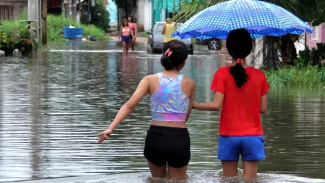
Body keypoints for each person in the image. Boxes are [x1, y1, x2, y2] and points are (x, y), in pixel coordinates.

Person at [98, 40, 196, 180]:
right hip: (179, 139)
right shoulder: (189, 83)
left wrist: (110, 128)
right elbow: (186, 116)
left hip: (156, 138)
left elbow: (129, 105)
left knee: (156, 180)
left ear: (164, 55)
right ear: (184, 61)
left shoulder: (149, 80)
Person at [193, 29, 270, 180]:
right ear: (249, 49)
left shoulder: (222, 74)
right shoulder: (260, 76)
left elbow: (216, 105)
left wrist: (192, 105)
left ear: (229, 49)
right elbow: (263, 109)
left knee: (229, 180)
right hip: (253, 137)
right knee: (250, 180)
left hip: (229, 136)